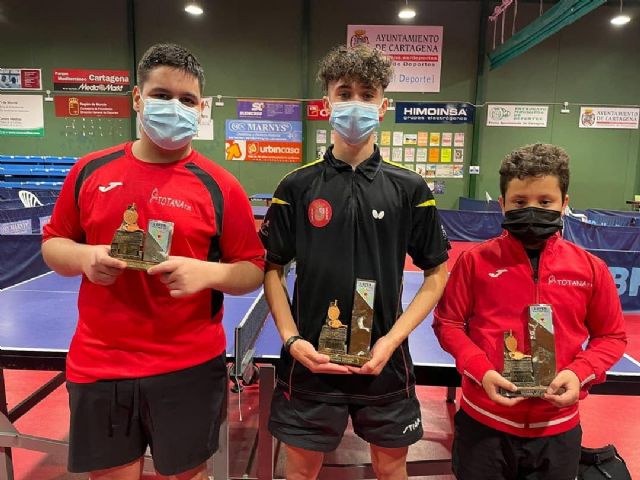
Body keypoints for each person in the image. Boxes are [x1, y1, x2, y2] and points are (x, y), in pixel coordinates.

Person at [41, 43, 264, 480]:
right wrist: (84, 257)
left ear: (201, 108)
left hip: (189, 366)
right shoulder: (90, 171)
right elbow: (53, 245)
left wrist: (207, 273)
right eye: (162, 95)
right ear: (137, 98)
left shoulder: (221, 186)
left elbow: (252, 269)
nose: (174, 107)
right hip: (101, 364)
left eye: (187, 100)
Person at [259, 44, 449, 480]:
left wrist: (392, 341)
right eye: (345, 93)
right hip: (310, 360)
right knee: (300, 473)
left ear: (384, 105)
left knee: (391, 470)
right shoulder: (296, 186)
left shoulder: (410, 188)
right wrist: (291, 340)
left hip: (384, 361)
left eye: (367, 94)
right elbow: (272, 267)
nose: (355, 103)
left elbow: (437, 273)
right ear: (326, 103)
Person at [433, 143, 627, 480]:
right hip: (484, 425)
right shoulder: (474, 262)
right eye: (520, 202)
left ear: (564, 203)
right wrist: (481, 369)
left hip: (558, 430)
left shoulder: (591, 269)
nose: (532, 210)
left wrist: (579, 372)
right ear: (502, 204)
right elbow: (448, 323)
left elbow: (612, 336)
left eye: (545, 202)